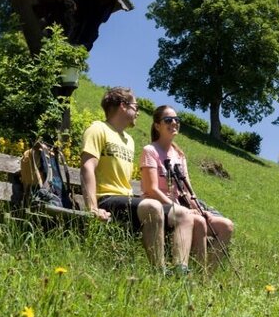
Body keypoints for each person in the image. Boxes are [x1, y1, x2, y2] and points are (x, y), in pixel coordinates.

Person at [80, 88, 195, 273]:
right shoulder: (97, 129)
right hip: (107, 199)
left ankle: (180, 272)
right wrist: (93, 207)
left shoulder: (129, 140)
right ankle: (159, 271)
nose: (139, 112)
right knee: (153, 206)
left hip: (128, 200)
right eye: (136, 106)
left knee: (184, 214)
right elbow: (87, 167)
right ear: (123, 106)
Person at [140, 105, 235, 269]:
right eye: (168, 120)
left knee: (226, 226)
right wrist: (179, 208)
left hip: (180, 207)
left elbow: (187, 189)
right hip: (160, 206)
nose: (174, 123)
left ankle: (205, 277)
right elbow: (151, 189)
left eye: (177, 120)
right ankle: (183, 272)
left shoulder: (179, 155)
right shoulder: (150, 151)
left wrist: (197, 207)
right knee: (198, 222)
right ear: (157, 125)